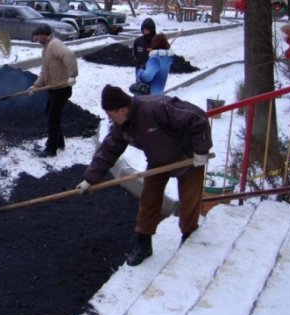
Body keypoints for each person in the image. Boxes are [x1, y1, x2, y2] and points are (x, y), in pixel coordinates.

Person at [76, 85, 212, 266]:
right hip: (158, 161)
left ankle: (187, 239)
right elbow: (108, 150)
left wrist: (201, 151)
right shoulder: (121, 126)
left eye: (111, 114)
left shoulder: (157, 107)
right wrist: (89, 179)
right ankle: (143, 244)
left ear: (123, 110)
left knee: (189, 201)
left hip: (188, 158)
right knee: (149, 200)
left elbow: (198, 118)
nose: (110, 119)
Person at [27, 24, 79, 158]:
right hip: (54, 89)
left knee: (52, 119)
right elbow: (44, 73)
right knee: (52, 116)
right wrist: (35, 86)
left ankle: (51, 149)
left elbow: (69, 55)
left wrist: (72, 75)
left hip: (61, 89)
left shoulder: (54, 45)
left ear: (45, 35)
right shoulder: (46, 49)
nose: (37, 38)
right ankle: (59, 142)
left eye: (38, 36)